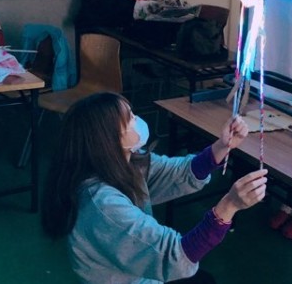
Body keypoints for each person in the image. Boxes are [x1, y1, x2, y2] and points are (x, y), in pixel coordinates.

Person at [41, 92, 268, 284]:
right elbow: (175, 257)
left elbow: (178, 173)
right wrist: (229, 206)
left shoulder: (123, 162)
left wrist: (222, 146)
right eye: (129, 118)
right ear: (109, 139)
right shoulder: (103, 205)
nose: (137, 120)